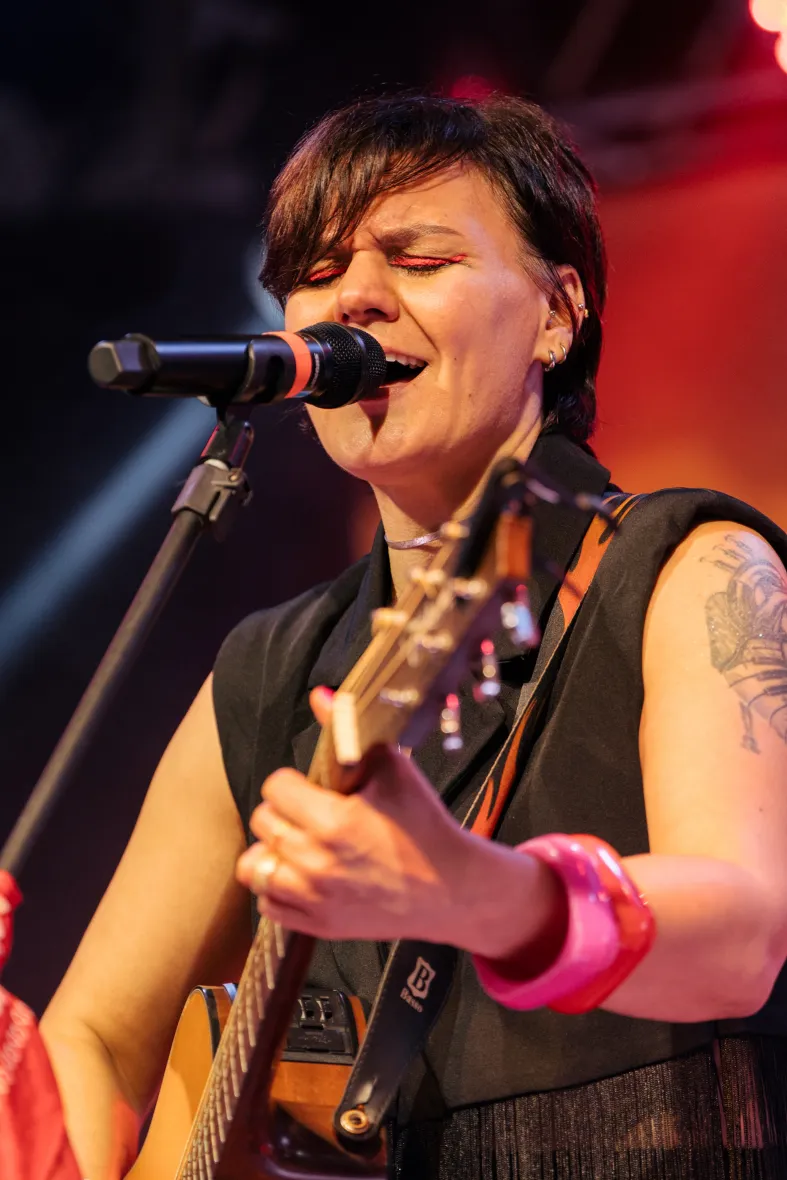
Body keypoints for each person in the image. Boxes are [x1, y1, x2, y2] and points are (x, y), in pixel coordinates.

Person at [40, 93, 787, 1180]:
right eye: (317, 271)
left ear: (556, 314)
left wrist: (473, 891)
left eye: (419, 259)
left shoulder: (693, 566)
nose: (353, 296)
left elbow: (742, 938)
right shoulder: (269, 671)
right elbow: (98, 1039)